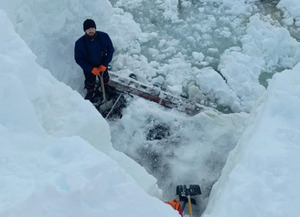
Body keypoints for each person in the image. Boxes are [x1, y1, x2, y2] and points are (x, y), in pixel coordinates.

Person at [74, 19, 115, 101]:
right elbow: (78, 59)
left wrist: (105, 64)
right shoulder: (79, 43)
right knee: (90, 81)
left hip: (102, 63)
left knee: (105, 77)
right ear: (85, 30)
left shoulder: (104, 36)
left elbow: (111, 50)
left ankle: (106, 87)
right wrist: (91, 69)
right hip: (89, 66)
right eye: (88, 29)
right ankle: (90, 92)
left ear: (95, 28)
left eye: (92, 28)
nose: (91, 31)